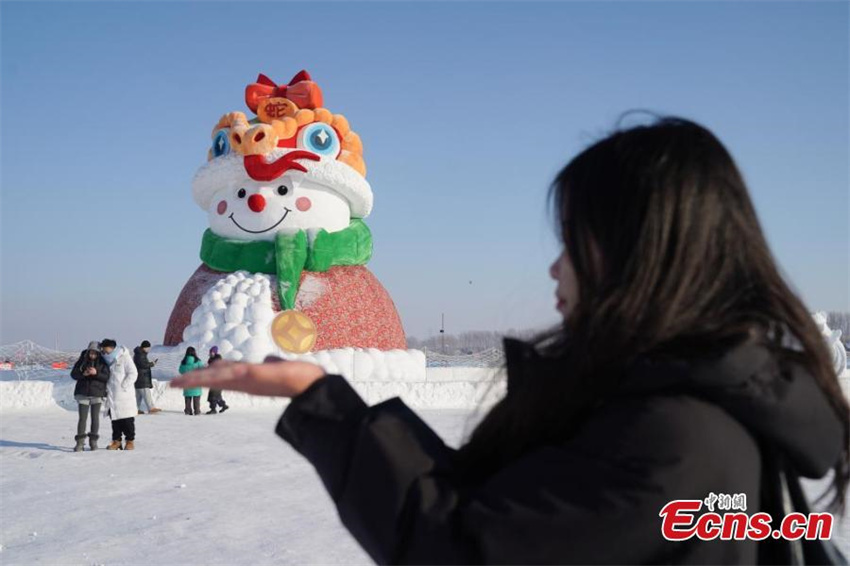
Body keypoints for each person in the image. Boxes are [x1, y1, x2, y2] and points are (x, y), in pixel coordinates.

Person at [172, 117, 849, 564]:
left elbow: (464, 546)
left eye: (573, 244)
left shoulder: (675, 436)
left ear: (642, 253)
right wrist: (320, 395)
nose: (554, 268)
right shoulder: (660, 399)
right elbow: (501, 507)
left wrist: (328, 409)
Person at [70, 341, 110, 452]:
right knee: (82, 418)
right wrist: (84, 374)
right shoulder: (82, 361)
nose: (92, 355)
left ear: (98, 353)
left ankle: (93, 442)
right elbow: (73, 374)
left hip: (97, 393)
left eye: (95, 353)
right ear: (88, 352)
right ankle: (80, 442)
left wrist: (96, 373)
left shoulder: (103, 362)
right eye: (91, 353)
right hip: (83, 393)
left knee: (95, 418)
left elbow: (107, 376)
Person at [100, 339, 139, 450]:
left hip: (124, 395)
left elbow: (133, 373)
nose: (105, 352)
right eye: (103, 350)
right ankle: (116, 441)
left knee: (127, 421)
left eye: (106, 349)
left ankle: (130, 441)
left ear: (112, 348)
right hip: (111, 395)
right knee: (115, 421)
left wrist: (124, 386)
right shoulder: (104, 360)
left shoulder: (124, 357)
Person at [134, 340, 161, 415]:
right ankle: (151, 408)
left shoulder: (139, 354)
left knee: (138, 396)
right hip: (142, 377)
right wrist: (152, 364)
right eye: (148, 348)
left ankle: (135, 409)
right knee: (146, 393)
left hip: (139, 378)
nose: (148, 349)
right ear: (144, 347)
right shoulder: (140, 355)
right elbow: (143, 365)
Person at [178, 347, 204, 415]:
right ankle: (197, 411)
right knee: (196, 399)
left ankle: (188, 411)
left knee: (188, 399)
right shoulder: (198, 361)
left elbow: (180, 371)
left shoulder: (183, 362)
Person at [205, 346, 229, 414]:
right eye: (210, 352)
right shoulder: (211, 360)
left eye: (212, 352)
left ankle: (213, 409)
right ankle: (223, 405)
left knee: (212, 395)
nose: (210, 353)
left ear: (215, 352)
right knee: (216, 395)